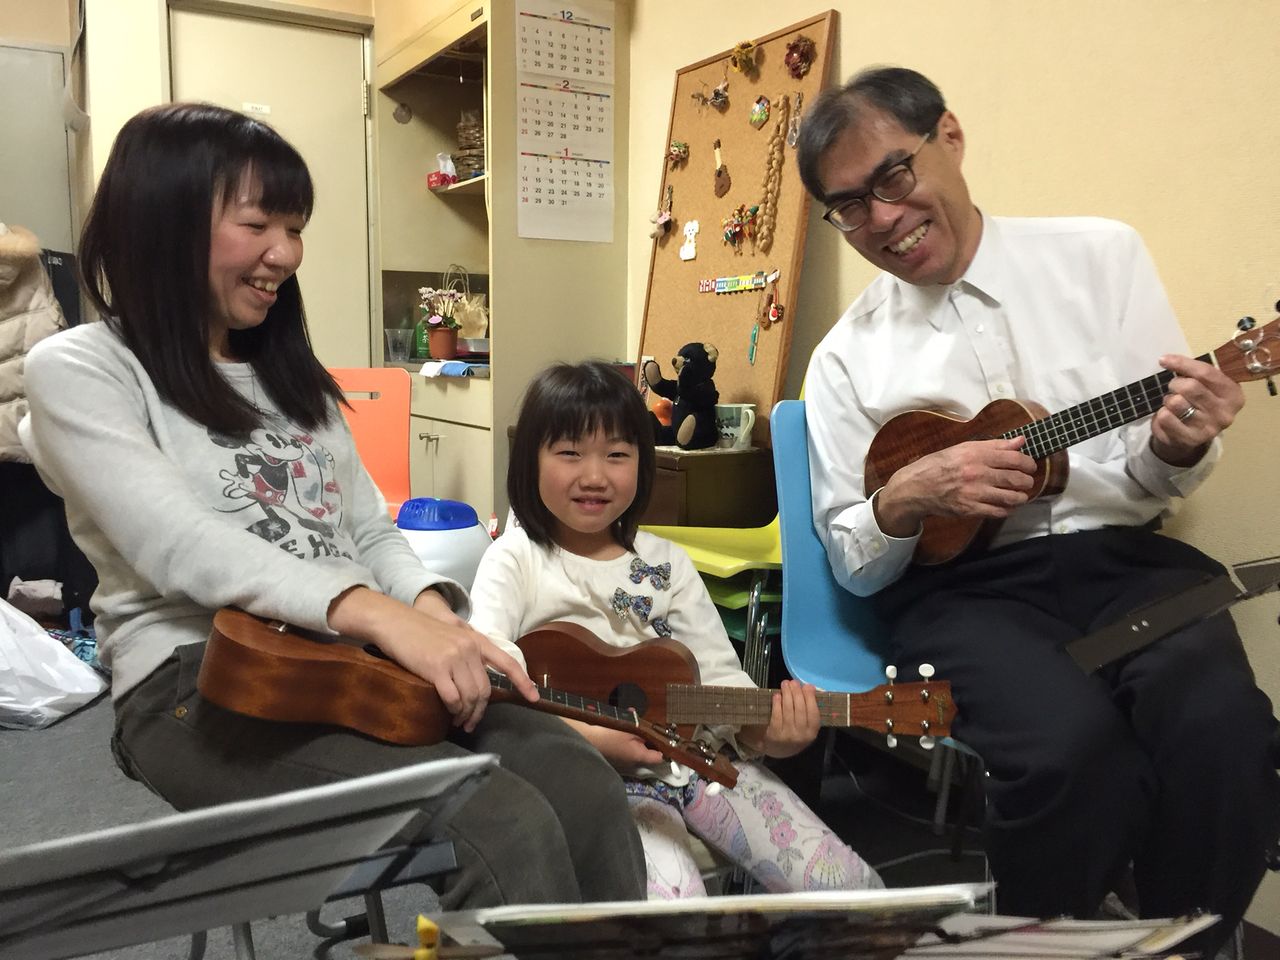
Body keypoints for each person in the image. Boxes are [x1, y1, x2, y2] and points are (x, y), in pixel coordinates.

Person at [18, 102, 645, 909]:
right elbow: (178, 542)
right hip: (197, 680)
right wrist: (383, 618)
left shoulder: (293, 377)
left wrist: (438, 620)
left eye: (295, 228)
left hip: (352, 662)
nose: (286, 253)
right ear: (163, 221)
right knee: (499, 822)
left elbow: (368, 529)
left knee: (582, 780)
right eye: (258, 225)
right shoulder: (79, 368)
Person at [795, 66, 1279, 954]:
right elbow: (854, 563)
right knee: (1068, 755)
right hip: (963, 595)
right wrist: (905, 498)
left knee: (1223, 731)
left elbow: (1150, 476)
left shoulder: (1101, 257)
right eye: (850, 206)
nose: (884, 219)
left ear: (949, 137)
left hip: (1125, 564)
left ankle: (1185, 943)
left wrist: (1177, 445)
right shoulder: (843, 359)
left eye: (893, 176)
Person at [467, 360, 882, 899]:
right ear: (530, 461)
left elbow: (720, 681)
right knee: (675, 908)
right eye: (569, 453)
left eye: (617, 455)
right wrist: (592, 739)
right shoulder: (515, 560)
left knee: (851, 887)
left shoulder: (667, 564)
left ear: (643, 462)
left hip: (702, 763)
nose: (594, 476)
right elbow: (492, 678)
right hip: (589, 782)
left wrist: (773, 735)